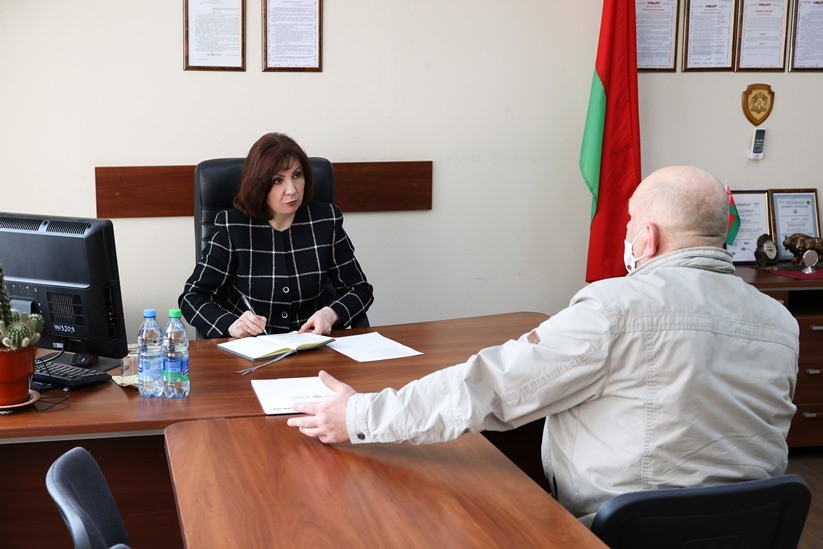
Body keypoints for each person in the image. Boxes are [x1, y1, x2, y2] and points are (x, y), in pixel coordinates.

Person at [286, 165, 799, 525]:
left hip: (621, 532)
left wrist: (359, 415)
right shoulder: (780, 321)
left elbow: (488, 388)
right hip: (755, 529)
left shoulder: (615, 309)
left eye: (627, 224)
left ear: (647, 238)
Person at [179, 132, 373, 338]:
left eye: (297, 175)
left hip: (313, 344)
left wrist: (331, 314)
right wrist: (232, 325)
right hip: (253, 348)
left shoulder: (325, 220)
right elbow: (192, 297)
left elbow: (360, 289)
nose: (292, 190)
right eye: (278, 180)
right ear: (259, 184)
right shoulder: (233, 226)